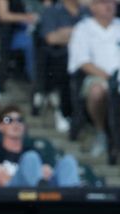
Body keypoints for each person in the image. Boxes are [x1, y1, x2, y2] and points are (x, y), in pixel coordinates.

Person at [68, 0, 120, 158]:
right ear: (92, 7)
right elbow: (82, 62)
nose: (108, 6)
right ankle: (101, 131)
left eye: (112, 2)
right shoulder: (83, 28)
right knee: (96, 91)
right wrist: (109, 78)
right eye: (103, 2)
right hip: (98, 76)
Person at [0, 106, 80, 187]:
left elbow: (48, 173)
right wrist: (30, 173)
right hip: (14, 194)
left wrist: (39, 174)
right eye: (8, 120)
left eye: (19, 120)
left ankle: (75, 202)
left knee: (68, 161)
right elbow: (4, 182)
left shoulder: (33, 150)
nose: (15, 124)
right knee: (30, 157)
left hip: (43, 190)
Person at [38, 0, 89, 133]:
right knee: (66, 64)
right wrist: (82, 34)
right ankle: (64, 111)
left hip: (89, 56)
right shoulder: (52, 11)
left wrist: (69, 33)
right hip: (61, 55)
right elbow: (51, 38)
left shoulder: (88, 11)